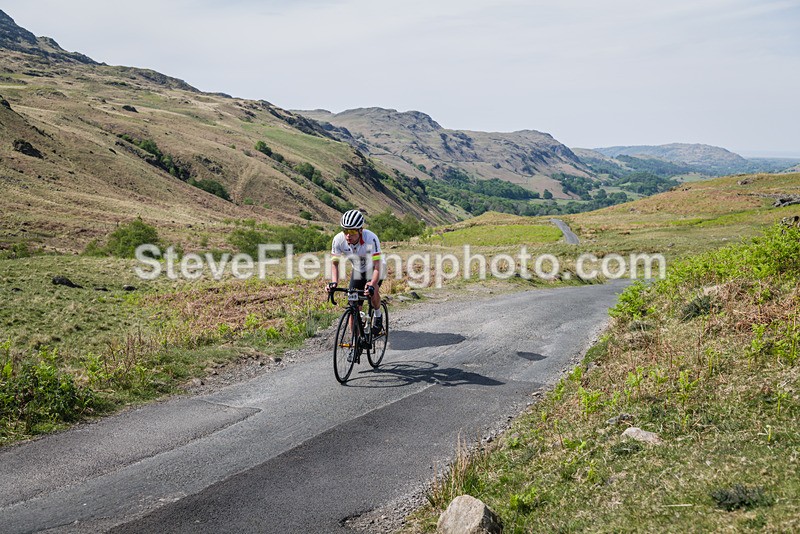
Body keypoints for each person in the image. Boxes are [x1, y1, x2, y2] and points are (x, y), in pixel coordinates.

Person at [326, 209, 385, 336]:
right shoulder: (338, 240)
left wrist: (372, 284)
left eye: (352, 231)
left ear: (360, 230)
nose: (348, 235)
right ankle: (355, 342)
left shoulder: (371, 239)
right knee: (353, 306)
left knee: (372, 289)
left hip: (375, 268)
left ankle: (378, 314)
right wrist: (334, 282)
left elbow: (377, 266)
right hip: (358, 270)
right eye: (345, 231)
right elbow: (334, 263)